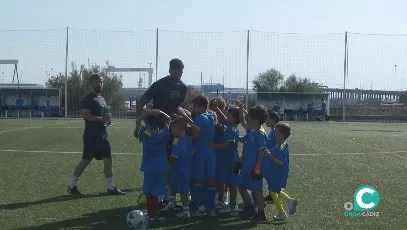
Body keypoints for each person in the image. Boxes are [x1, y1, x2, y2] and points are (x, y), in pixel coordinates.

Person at [67, 73, 125, 196]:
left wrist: (107, 121)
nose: (100, 84)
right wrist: (101, 119)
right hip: (91, 135)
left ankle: (111, 187)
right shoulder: (89, 99)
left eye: (101, 82)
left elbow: (103, 117)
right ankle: (72, 186)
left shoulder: (102, 99)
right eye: (97, 82)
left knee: (108, 159)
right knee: (85, 161)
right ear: (91, 84)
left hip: (103, 134)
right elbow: (85, 115)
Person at [177, 95, 216, 216]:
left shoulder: (199, 118)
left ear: (201, 106)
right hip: (211, 153)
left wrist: (187, 138)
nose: (193, 109)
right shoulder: (211, 116)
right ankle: (211, 208)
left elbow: (196, 135)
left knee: (198, 180)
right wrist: (186, 117)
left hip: (200, 152)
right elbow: (199, 127)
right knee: (210, 181)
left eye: (194, 106)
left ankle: (198, 208)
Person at [136, 109, 171, 220]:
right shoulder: (163, 134)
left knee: (149, 190)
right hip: (160, 167)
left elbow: (137, 121)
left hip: (148, 167)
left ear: (148, 123)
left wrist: (145, 113)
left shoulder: (144, 133)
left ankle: (151, 212)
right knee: (156, 190)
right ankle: (154, 212)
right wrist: (160, 111)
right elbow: (168, 119)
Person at [236, 105, 269, 221]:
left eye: (249, 116)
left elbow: (261, 151)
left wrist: (258, 167)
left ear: (256, 119)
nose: (247, 118)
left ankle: (261, 213)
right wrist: (240, 109)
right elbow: (242, 122)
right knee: (241, 186)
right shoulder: (251, 130)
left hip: (254, 167)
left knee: (257, 191)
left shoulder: (260, 133)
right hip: (246, 166)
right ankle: (249, 208)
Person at [263, 123, 297, 221]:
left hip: (277, 173)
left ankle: (281, 212)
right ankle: (290, 200)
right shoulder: (279, 145)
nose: (273, 133)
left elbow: (280, 163)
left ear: (281, 135)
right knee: (276, 190)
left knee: (273, 192)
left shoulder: (281, 147)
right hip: (275, 172)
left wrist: (270, 157)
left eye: (276, 132)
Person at [167, 117, 193, 218]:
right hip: (186, 168)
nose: (172, 132)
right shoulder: (188, 139)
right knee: (173, 185)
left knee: (183, 190)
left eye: (172, 129)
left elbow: (174, 157)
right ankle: (172, 204)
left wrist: (167, 166)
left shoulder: (177, 141)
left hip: (179, 169)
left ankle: (186, 211)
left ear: (178, 129)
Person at [263, 111, 280, 202]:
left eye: (268, 119)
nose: (266, 121)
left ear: (273, 120)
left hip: (272, 158)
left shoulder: (275, 131)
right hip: (269, 158)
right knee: (269, 177)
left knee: (272, 177)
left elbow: (278, 145)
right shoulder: (271, 131)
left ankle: (275, 194)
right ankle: (271, 194)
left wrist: (273, 156)